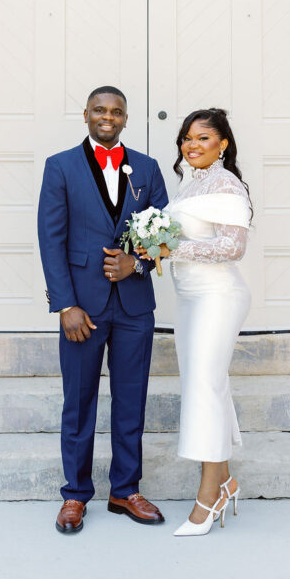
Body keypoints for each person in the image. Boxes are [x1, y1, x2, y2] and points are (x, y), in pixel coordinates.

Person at [37, 86, 168, 535]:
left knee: (131, 401)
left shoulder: (147, 169)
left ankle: (124, 489)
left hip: (134, 306)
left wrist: (140, 262)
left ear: (126, 118)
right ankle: (75, 494)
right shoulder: (61, 167)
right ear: (86, 115)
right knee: (79, 403)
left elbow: (165, 232)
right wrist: (65, 305)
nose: (107, 117)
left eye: (116, 112)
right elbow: (51, 239)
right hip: (83, 309)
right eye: (99, 110)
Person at [139, 108, 252, 536]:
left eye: (203, 138)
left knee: (206, 386)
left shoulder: (225, 182)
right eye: (187, 138)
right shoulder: (191, 183)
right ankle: (225, 482)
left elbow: (231, 247)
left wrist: (170, 250)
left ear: (222, 143)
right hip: (189, 300)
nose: (192, 145)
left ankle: (208, 496)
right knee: (206, 386)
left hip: (218, 296)